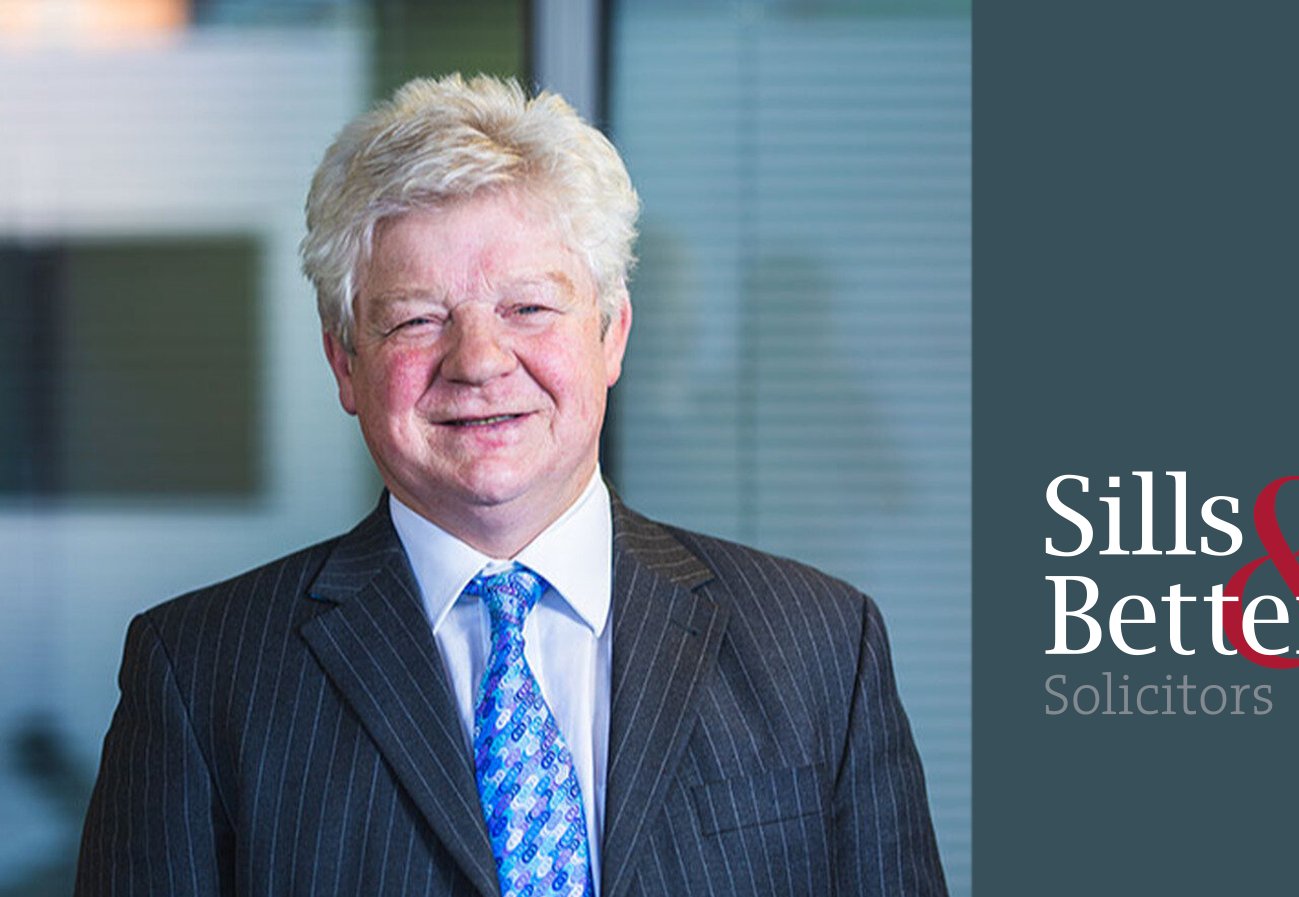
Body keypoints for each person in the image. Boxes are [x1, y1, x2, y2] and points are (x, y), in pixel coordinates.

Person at [75, 74, 946, 897]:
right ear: (344, 361)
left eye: (529, 307)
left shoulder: (823, 648)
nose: (481, 361)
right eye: (418, 318)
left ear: (611, 334)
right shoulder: (198, 676)